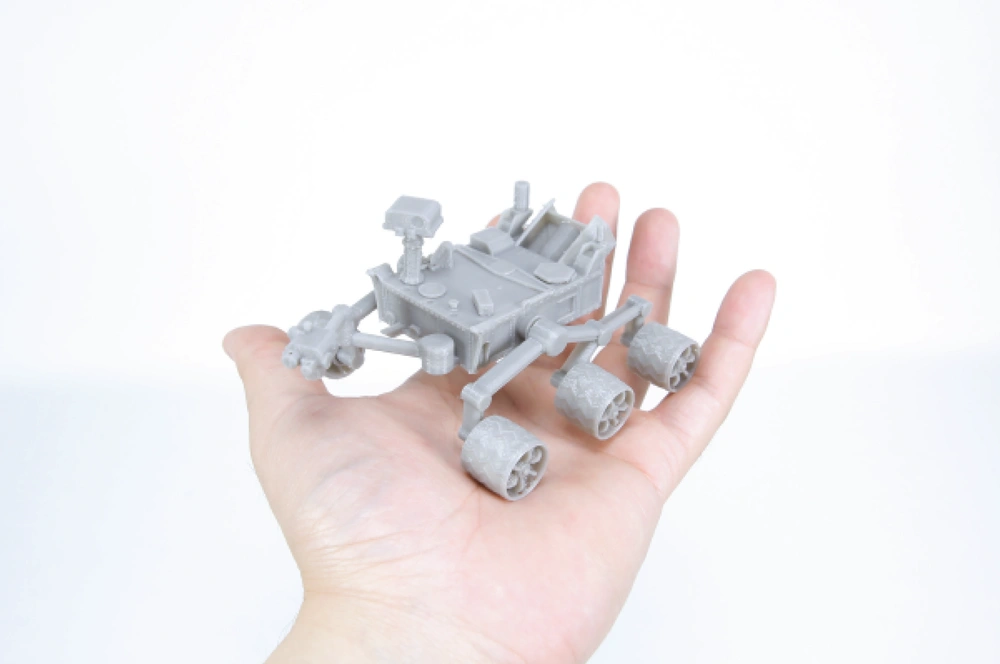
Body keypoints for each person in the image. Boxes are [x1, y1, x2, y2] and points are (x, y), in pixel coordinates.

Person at [224, 183, 776, 663]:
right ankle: (605, 353)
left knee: (567, 376)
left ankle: (636, 346)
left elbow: (545, 340)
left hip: (525, 313)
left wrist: (596, 342)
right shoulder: (451, 266)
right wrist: (341, 328)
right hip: (466, 303)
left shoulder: (560, 274)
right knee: (457, 319)